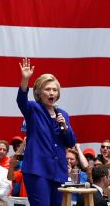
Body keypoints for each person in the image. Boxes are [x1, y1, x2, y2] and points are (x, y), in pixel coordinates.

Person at [16, 58, 76, 206]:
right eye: (47, 89)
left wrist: (65, 127)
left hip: (58, 172)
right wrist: (25, 80)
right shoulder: (33, 109)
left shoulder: (63, 114)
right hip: (37, 170)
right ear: (39, 92)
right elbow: (21, 101)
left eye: (55, 90)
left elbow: (71, 142)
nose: (52, 93)